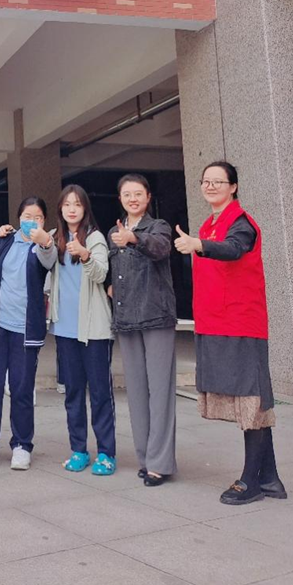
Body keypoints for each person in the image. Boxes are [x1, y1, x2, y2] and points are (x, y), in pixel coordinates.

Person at [175, 161, 287, 505]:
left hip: (241, 323)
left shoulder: (241, 223)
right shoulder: (209, 224)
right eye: (206, 181)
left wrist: (199, 245)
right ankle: (269, 479)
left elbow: (234, 249)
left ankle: (250, 482)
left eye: (218, 181)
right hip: (217, 321)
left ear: (233, 186)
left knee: (252, 400)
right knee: (249, 399)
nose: (210, 186)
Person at [0, 197, 57, 472]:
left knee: (21, 387)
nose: (32, 221)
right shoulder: (3, 240)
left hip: (26, 330)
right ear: (19, 218)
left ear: (44, 221)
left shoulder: (45, 245)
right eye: (27, 216)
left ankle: (22, 445)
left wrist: (45, 241)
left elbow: (50, 261)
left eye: (38, 217)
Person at [107, 174, 176, 485]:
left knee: (160, 392)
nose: (132, 199)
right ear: (120, 199)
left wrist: (134, 239)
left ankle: (160, 463)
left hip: (156, 315)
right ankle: (146, 458)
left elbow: (160, 249)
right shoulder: (113, 232)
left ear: (148, 197)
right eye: (127, 194)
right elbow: (113, 271)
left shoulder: (158, 227)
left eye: (138, 194)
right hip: (126, 320)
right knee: (135, 393)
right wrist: (109, 286)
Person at [49, 185, 115, 476]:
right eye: (67, 204)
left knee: (100, 393)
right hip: (65, 328)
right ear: (60, 209)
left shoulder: (96, 237)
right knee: (73, 393)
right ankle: (78, 450)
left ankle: (106, 453)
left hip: (94, 329)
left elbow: (101, 274)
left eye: (77, 204)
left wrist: (86, 255)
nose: (72, 209)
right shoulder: (56, 237)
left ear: (85, 208)